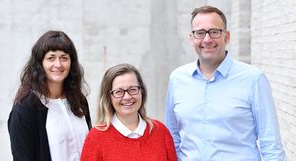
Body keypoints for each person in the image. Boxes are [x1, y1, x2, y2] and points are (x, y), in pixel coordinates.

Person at [165, 5, 286, 161]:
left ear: (226, 37)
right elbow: (172, 137)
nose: (207, 39)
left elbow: (271, 144)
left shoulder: (253, 79)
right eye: (200, 33)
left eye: (214, 32)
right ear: (191, 38)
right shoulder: (177, 79)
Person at [8, 30, 92, 161]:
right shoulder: (24, 110)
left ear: (71, 62)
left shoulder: (79, 101)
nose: (58, 64)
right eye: (51, 58)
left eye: (64, 58)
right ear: (40, 63)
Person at [81, 63, 177, 161]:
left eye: (133, 89)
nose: (127, 97)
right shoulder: (96, 138)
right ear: (108, 97)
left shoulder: (160, 131)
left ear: (141, 92)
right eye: (118, 92)